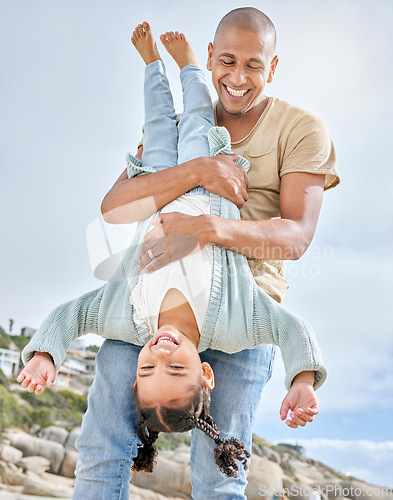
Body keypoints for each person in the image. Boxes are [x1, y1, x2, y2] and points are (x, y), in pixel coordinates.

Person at [22, 8, 340, 499]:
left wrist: (203, 229)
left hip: (246, 306)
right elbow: (116, 208)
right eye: (227, 61)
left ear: (273, 68)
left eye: (254, 65)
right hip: (146, 305)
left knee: (220, 475)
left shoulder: (301, 129)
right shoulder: (178, 124)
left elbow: (296, 237)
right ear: (209, 59)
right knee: (102, 450)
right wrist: (196, 172)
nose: (237, 78)